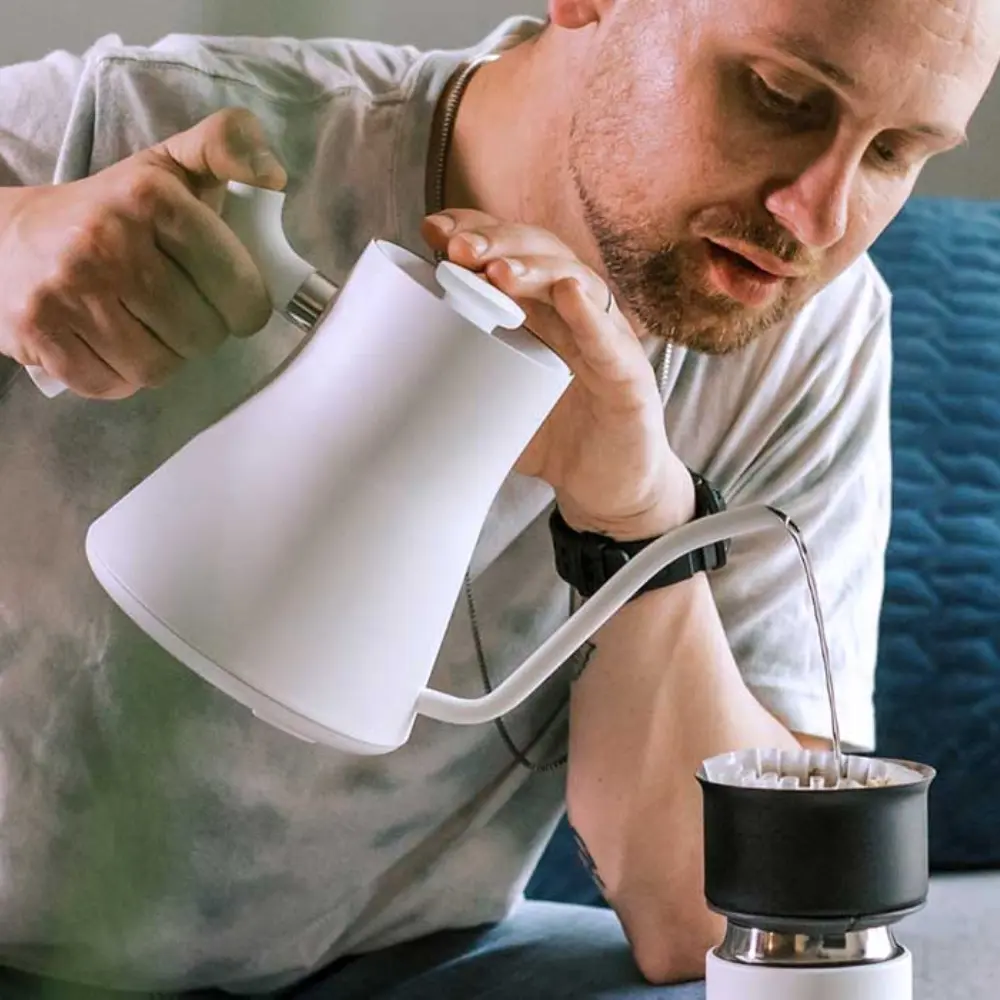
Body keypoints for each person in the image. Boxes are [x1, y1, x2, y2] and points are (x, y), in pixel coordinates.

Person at [0, 1, 996, 997]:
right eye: (778, 95)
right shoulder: (146, 122)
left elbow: (720, 914)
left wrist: (639, 515)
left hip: (385, 966)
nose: (816, 219)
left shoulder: (802, 337)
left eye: (894, 153)